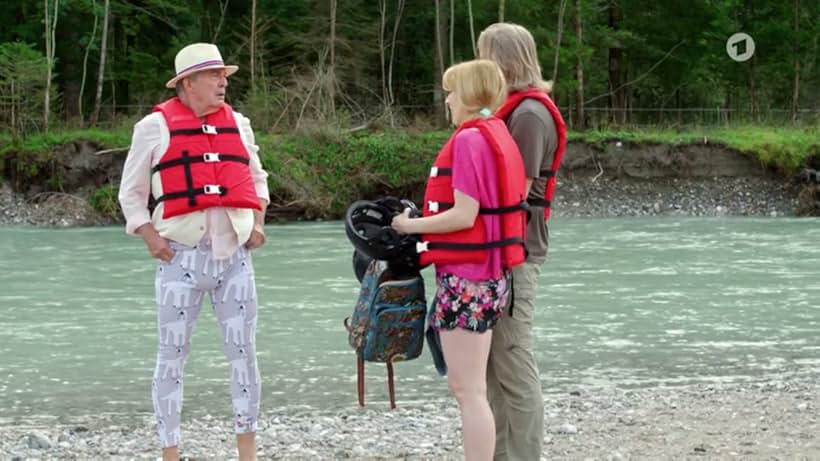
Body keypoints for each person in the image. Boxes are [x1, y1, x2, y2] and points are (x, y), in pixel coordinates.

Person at [118, 43, 269, 461]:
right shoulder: (153, 127)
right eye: (214, 75)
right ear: (187, 83)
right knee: (172, 358)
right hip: (179, 258)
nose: (223, 81)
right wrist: (151, 238)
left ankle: (248, 452)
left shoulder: (239, 123)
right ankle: (170, 452)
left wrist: (257, 223)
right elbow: (130, 194)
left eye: (225, 75)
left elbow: (257, 179)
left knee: (244, 355)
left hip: (235, 258)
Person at [392, 59, 528, 461]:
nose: (448, 99)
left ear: (468, 96)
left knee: (468, 391)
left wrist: (408, 226)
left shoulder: (469, 141)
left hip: (466, 281)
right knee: (472, 390)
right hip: (490, 277)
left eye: (452, 92)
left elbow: (465, 215)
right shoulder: (496, 133)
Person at [477, 23, 567, 461]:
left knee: (512, 357)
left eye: (484, 56)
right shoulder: (510, 111)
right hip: (497, 252)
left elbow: (517, 188)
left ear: (501, 60)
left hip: (518, 252)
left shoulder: (530, 116)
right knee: (494, 363)